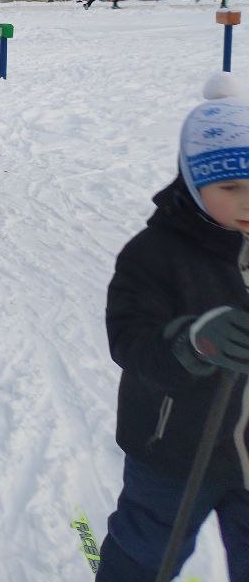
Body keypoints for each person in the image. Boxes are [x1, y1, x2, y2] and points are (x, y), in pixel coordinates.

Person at [97, 73, 249, 582]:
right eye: (230, 187)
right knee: (145, 552)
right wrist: (191, 343)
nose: (247, 202)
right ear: (194, 180)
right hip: (173, 449)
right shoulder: (155, 254)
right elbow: (129, 340)